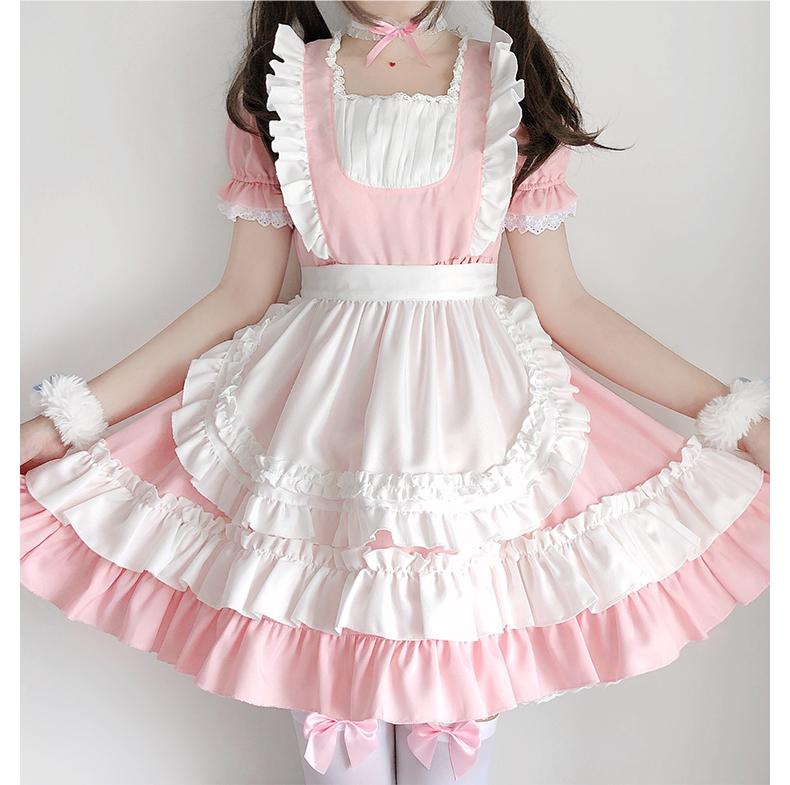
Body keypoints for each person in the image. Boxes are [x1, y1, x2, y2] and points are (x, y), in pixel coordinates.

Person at [20, 2, 770, 783]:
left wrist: (730, 412)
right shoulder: (282, 88)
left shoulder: (508, 86)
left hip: (470, 433)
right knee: (336, 719)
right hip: (318, 429)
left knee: (450, 728)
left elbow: (566, 304)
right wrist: (73, 418)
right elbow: (239, 296)